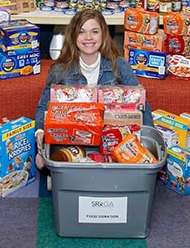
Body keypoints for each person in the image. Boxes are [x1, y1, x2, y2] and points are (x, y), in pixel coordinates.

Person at [34, 9, 153, 168]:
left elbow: (142, 104)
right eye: (81, 32)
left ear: (103, 34)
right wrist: (40, 137)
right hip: (74, 142)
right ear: (73, 36)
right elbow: (44, 106)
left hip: (113, 142)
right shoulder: (59, 70)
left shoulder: (119, 65)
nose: (88, 37)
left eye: (94, 31)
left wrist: (145, 144)